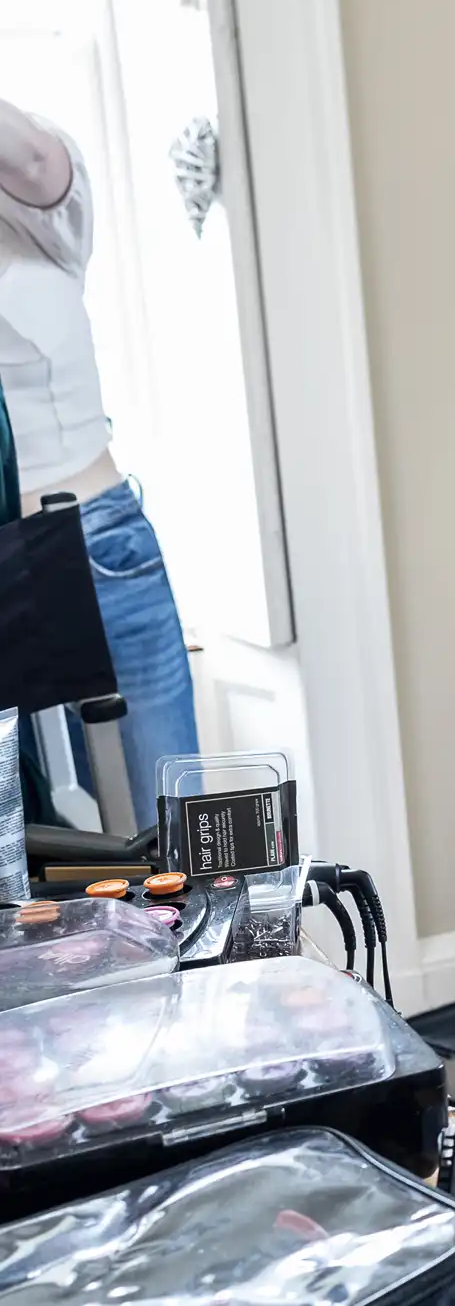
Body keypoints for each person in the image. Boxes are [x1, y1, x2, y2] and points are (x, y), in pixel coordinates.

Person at [0, 95, 199, 829]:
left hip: (95, 541)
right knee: (36, 858)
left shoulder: (43, 211)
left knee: (170, 821)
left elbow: (32, 161)